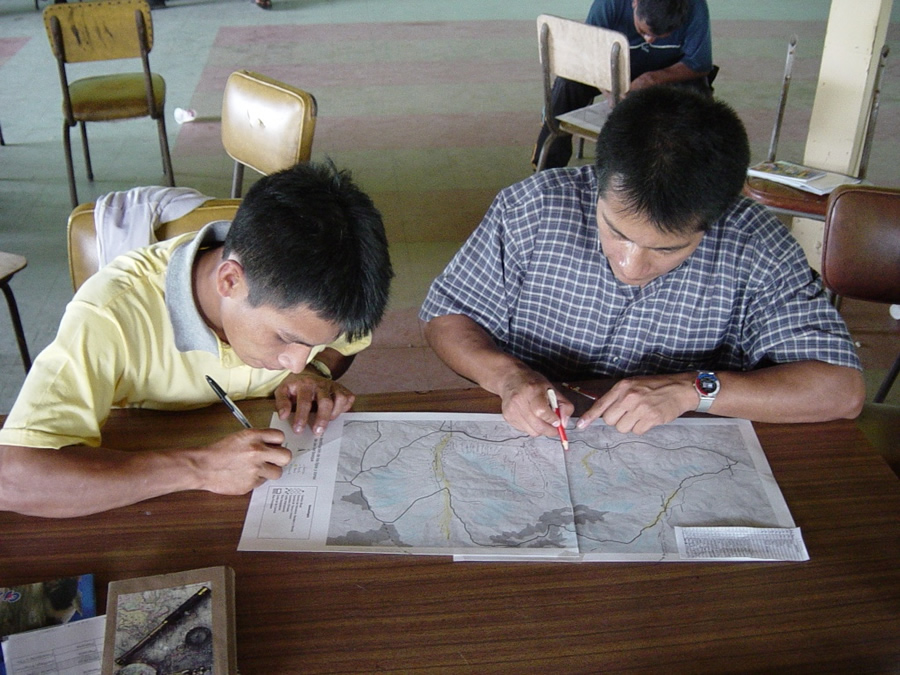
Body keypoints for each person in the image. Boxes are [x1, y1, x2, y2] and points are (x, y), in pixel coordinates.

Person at [422, 86, 865, 441]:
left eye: (667, 249)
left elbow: (841, 391)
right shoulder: (533, 207)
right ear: (596, 181)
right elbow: (447, 317)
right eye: (616, 232)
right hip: (530, 436)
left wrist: (693, 389)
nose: (632, 266)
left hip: (680, 451)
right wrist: (509, 378)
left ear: (715, 221)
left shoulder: (756, 245)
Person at [0, 161, 393, 518]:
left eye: (311, 347)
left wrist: (318, 370)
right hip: (153, 511)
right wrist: (200, 467)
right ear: (229, 281)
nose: (295, 360)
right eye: (286, 339)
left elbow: (342, 345)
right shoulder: (110, 313)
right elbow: (14, 476)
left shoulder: (333, 297)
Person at [533, 0, 713, 170]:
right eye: (644, 32)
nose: (649, 40)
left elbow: (699, 64)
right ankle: (547, 167)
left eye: (660, 36)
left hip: (666, 72)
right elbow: (588, 55)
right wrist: (610, 88)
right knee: (567, 84)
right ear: (635, 3)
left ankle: (692, 173)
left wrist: (651, 79)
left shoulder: (694, 6)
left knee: (698, 99)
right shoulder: (609, 4)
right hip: (611, 68)